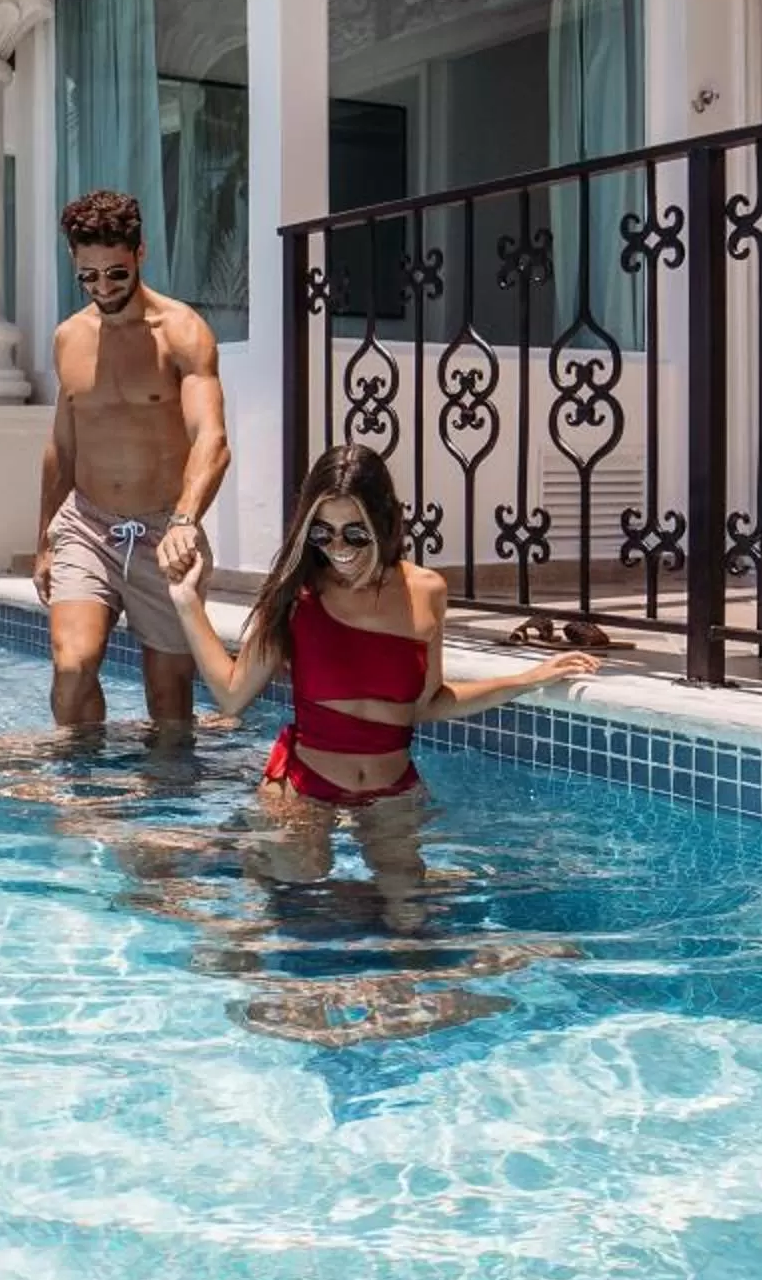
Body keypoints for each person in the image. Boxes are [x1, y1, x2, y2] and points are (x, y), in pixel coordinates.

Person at [166, 443, 594, 887]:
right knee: (300, 879)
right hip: (305, 783)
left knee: (407, 908)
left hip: (392, 787)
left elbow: (427, 704)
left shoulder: (426, 592)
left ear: (384, 521)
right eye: (322, 533)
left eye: (355, 533)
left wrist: (525, 680)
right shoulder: (296, 595)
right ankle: (236, 857)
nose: (338, 548)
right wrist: (187, 602)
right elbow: (232, 695)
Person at [36, 187, 230, 730]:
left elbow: (212, 440)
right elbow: (62, 448)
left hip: (163, 532)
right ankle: (82, 779)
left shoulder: (182, 332)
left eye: (116, 273)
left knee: (169, 706)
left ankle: (160, 787)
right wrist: (43, 540)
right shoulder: (69, 337)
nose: (104, 288)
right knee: (71, 670)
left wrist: (185, 521)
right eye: (89, 276)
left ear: (140, 253)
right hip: (88, 525)